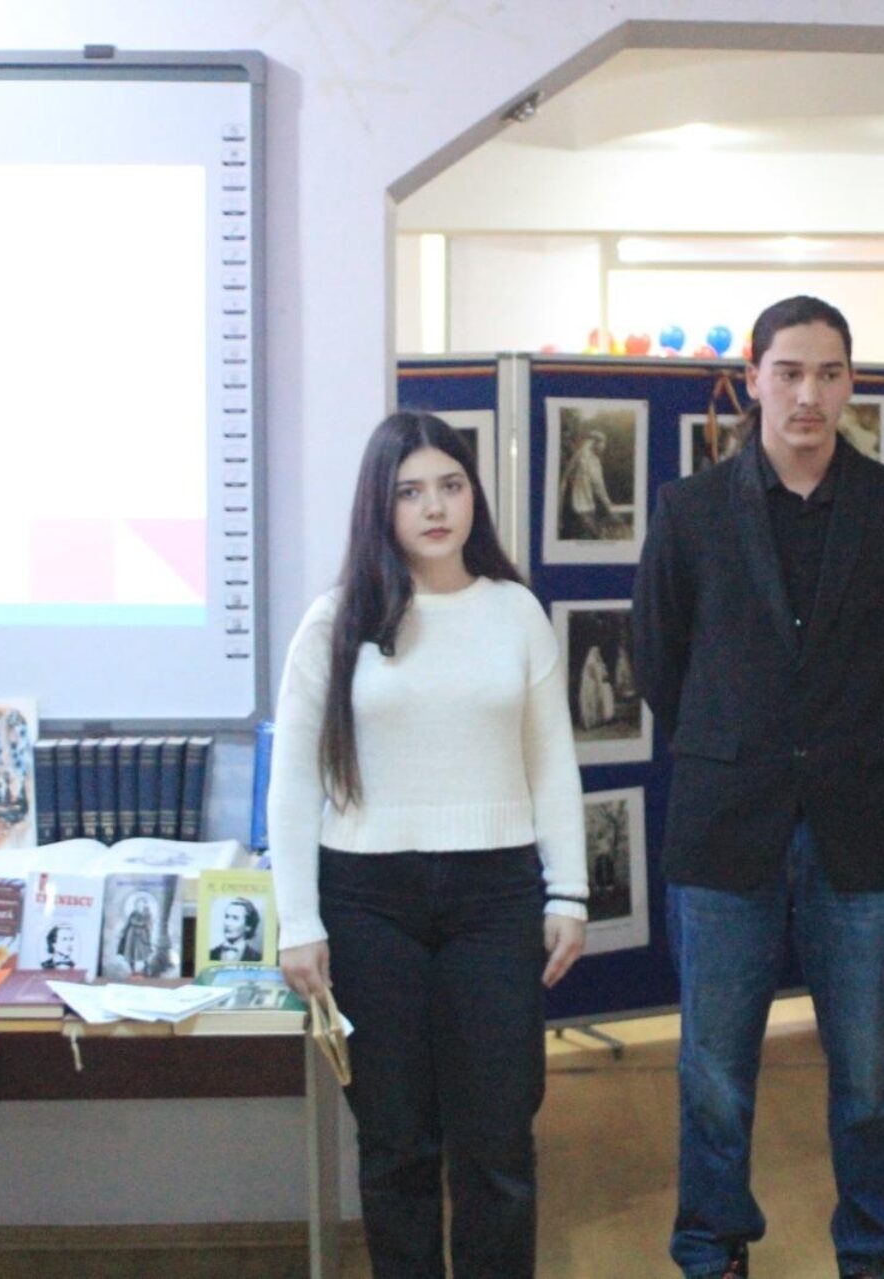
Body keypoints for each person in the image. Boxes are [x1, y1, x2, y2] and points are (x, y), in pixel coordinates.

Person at [634, 295, 884, 1279]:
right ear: (753, 380)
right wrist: (738, 743)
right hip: (725, 822)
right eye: (788, 372)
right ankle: (711, 1248)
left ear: (852, 383)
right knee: (714, 1070)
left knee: (868, 1072)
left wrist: (848, 743)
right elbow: (658, 660)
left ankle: (872, 1250)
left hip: (859, 826)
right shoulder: (690, 511)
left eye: (828, 373)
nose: (808, 394)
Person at [269, 411, 588, 1279]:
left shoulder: (515, 612)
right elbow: (293, 782)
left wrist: (569, 891)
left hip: (496, 899)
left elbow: (551, 761)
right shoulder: (335, 621)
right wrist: (298, 920)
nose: (435, 507)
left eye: (451, 485)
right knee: (396, 1144)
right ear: (381, 505)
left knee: (498, 1142)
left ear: (473, 494)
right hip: (368, 902)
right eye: (410, 491)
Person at [559, 428, 615, 539]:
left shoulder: (583, 455)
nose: (604, 446)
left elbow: (568, 475)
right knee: (589, 533)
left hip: (580, 501)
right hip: (579, 502)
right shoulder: (587, 458)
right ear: (595, 443)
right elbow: (598, 486)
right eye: (603, 443)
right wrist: (608, 504)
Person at [209, 897, 263, 962]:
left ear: (248, 926)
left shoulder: (257, 958)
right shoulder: (211, 954)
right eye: (227, 917)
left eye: (235, 918)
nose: (227, 923)